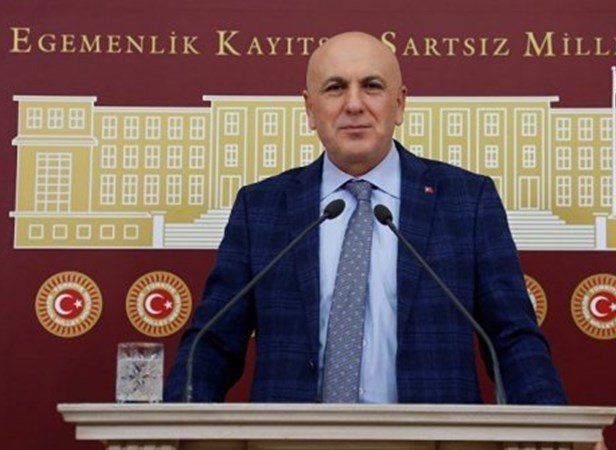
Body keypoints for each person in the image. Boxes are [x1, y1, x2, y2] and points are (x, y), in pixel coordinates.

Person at [164, 31, 566, 405]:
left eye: (372, 86)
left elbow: (512, 339)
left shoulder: (466, 200)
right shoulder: (262, 208)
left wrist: (556, 432)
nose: (354, 104)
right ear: (310, 108)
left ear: (400, 104)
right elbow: (212, 345)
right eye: (335, 87)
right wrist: (171, 430)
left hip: (434, 442)